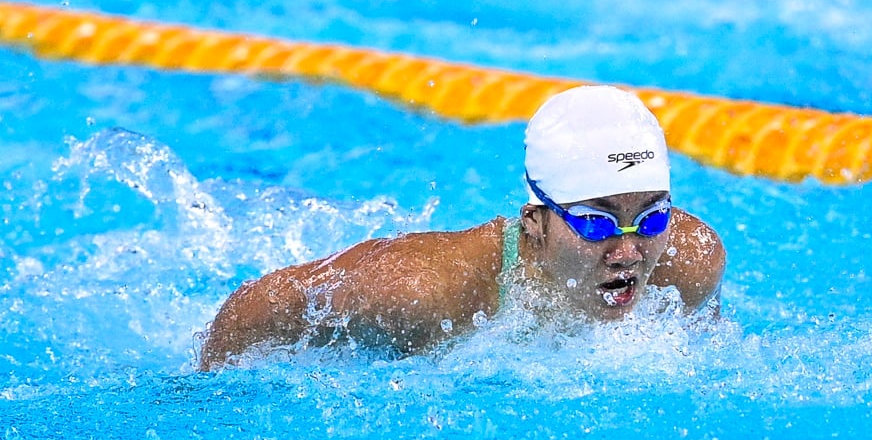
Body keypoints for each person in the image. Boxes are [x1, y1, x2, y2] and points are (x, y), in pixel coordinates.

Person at [198, 85, 726, 367]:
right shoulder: (425, 291)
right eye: (595, 221)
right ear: (535, 222)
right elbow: (260, 304)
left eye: (651, 216)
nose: (628, 251)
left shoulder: (689, 260)